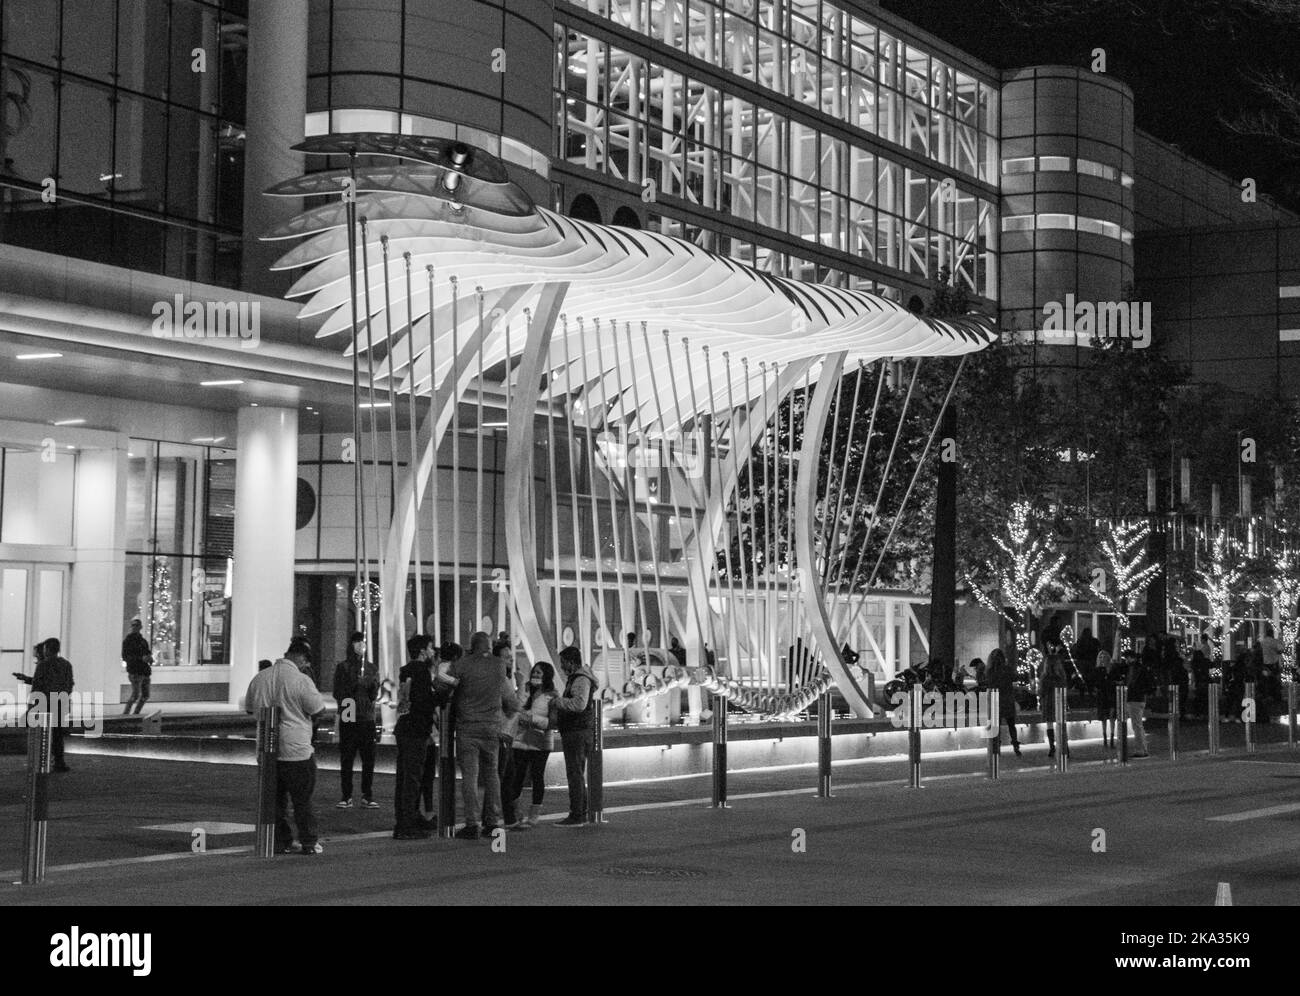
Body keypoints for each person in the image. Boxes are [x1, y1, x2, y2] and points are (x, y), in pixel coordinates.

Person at [245, 637, 327, 854]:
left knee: (274, 802)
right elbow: (318, 710)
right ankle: (309, 842)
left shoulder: (260, 678)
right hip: (296, 750)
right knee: (302, 800)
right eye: (307, 661)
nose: (307, 665)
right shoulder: (301, 680)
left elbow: (249, 709)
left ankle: (280, 841)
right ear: (300, 657)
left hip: (266, 748)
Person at [448, 631, 518, 840]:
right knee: (492, 774)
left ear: (472, 645)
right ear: (488, 645)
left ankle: (472, 824)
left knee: (469, 776)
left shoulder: (462, 664)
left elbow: (445, 685)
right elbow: (512, 701)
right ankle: (493, 822)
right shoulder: (499, 666)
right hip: (491, 728)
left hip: (467, 727)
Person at [393, 634, 438, 839]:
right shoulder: (422, 672)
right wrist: (441, 694)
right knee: (412, 778)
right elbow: (424, 701)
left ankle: (404, 818)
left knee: (404, 777)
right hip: (417, 729)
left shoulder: (406, 670)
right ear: (422, 651)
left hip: (404, 727)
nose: (432, 651)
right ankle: (406, 825)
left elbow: (407, 698)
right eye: (429, 648)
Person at [506, 661, 559, 829]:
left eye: (539, 673)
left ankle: (534, 814)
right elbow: (516, 708)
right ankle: (517, 813)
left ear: (547, 676)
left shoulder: (553, 696)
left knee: (537, 777)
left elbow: (553, 723)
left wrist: (533, 720)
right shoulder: (525, 690)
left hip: (541, 743)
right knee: (517, 777)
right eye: (534, 672)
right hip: (521, 741)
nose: (535, 675)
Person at [333, 631, 380, 810]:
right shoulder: (343, 667)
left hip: (367, 716)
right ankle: (346, 795)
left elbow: (374, 694)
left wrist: (371, 685)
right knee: (347, 757)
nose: (361, 646)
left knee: (369, 757)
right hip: (349, 712)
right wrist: (354, 684)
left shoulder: (371, 668)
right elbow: (339, 693)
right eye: (357, 642)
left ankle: (367, 795)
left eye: (363, 642)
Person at [555, 645, 600, 825]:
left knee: (575, 773)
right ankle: (581, 810)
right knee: (577, 773)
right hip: (578, 731)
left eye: (563, 663)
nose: (562, 667)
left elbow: (579, 704)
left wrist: (558, 702)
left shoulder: (580, 680)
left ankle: (577, 813)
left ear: (571, 663)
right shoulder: (580, 678)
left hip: (577, 731)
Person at [16, 638, 75, 772]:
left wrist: (32, 706)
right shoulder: (66, 665)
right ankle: (59, 762)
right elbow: (70, 684)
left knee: (42, 734)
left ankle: (41, 761)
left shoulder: (43, 665)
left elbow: (37, 685)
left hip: (44, 703)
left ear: (47, 649)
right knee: (58, 734)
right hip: (60, 702)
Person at [423, 642, 461, 819]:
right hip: (443, 708)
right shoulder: (445, 667)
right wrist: (456, 682)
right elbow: (441, 677)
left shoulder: (442, 667)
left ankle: (431, 812)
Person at [488, 639, 522, 828]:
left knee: (506, 776)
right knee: (502, 777)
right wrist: (523, 685)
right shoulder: (502, 679)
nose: (511, 661)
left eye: (511, 658)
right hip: (502, 733)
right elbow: (515, 706)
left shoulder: (500, 678)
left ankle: (510, 817)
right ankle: (496, 819)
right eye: (507, 658)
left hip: (503, 733)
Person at [984, 647, 1020, 757]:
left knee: (996, 726)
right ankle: (1015, 746)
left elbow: (988, 683)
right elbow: (1015, 678)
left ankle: (996, 747)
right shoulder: (1007, 669)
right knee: (1011, 725)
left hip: (996, 700)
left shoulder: (990, 671)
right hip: (1008, 698)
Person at [1040, 640, 1069, 759]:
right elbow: (1064, 687)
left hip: (1048, 702)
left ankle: (1052, 747)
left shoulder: (1045, 677)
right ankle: (1065, 746)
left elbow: (1041, 692)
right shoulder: (1061, 676)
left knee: (1049, 724)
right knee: (1061, 724)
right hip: (1059, 701)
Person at [121, 619, 152, 716]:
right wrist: (141, 659)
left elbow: (147, 652)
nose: (135, 628)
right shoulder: (128, 641)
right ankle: (126, 714)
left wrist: (149, 658)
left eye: (137, 626)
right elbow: (126, 656)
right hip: (135, 671)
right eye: (134, 626)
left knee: (145, 695)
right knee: (135, 695)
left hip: (144, 671)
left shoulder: (143, 641)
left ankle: (135, 713)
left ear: (140, 627)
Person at [1124, 648, 1152, 757]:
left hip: (1134, 698)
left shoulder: (1133, 669)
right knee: (1139, 725)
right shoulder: (1141, 667)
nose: (1126, 661)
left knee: (1136, 725)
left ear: (1130, 658)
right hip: (1141, 698)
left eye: (1126, 658)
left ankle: (1140, 749)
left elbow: (1131, 683)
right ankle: (1143, 748)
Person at [1092, 651, 1119, 748]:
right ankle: (1105, 738)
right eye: (1100, 657)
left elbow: (1115, 679)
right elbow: (1095, 682)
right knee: (1104, 717)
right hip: (1102, 695)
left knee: (1112, 716)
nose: (1102, 658)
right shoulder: (1097, 670)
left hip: (1111, 693)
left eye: (1104, 656)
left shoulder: (1112, 668)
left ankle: (1111, 737)